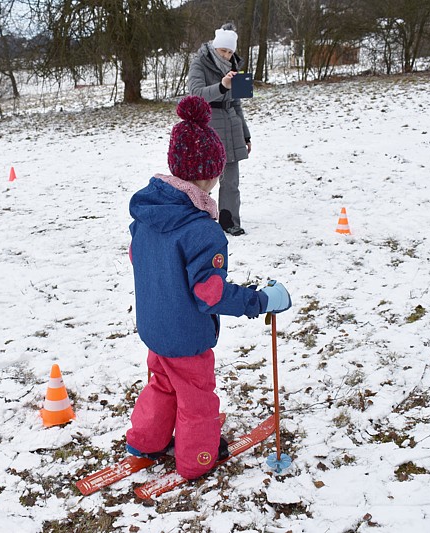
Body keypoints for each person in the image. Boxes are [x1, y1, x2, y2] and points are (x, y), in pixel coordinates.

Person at [124, 95, 291, 481]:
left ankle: (145, 440)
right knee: (197, 398)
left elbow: (138, 258)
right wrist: (260, 301)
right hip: (186, 336)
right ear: (209, 175)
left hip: (154, 328)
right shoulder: (202, 232)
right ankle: (197, 457)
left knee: (162, 384)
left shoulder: (149, 215)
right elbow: (209, 295)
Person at [188, 22, 251, 236]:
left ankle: (229, 220)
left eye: (230, 51)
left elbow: (238, 103)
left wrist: (245, 134)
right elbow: (195, 94)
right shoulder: (200, 63)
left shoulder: (236, 67)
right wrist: (222, 86)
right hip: (208, 125)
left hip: (232, 125)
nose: (226, 55)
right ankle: (192, 217)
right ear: (215, 47)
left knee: (231, 180)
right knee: (202, 178)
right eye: (223, 50)